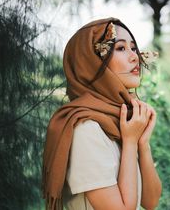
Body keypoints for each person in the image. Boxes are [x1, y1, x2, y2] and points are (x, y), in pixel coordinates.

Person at [42, 17, 162, 210]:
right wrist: (130, 142)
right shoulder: (86, 128)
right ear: (92, 62)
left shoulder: (120, 120)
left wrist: (142, 143)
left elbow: (150, 202)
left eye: (133, 48)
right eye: (121, 48)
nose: (135, 57)